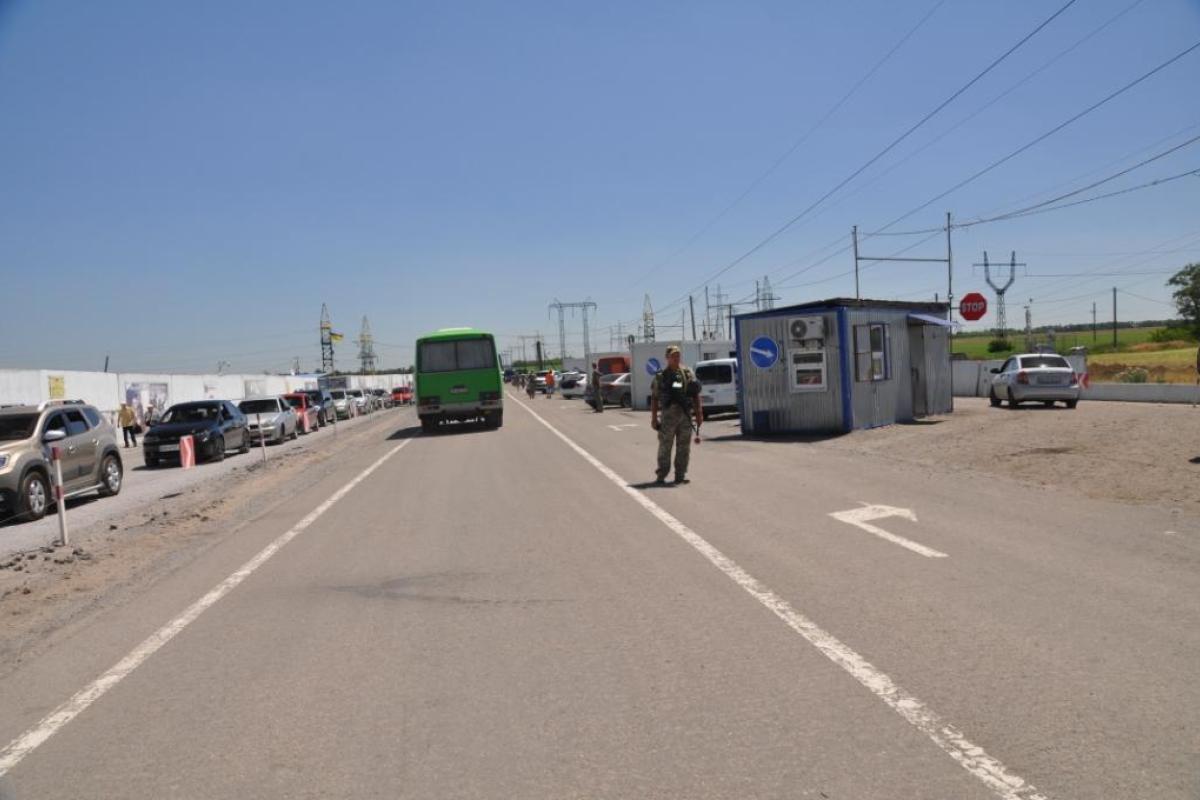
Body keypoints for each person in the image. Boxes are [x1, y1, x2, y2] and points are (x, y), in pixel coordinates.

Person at [650, 345, 702, 485]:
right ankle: (661, 475)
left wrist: (699, 414)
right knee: (665, 446)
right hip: (668, 416)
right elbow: (654, 398)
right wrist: (654, 418)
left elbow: (695, 394)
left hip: (685, 415)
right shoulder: (661, 376)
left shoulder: (688, 372)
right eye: (673, 355)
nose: (676, 358)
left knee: (684, 446)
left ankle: (680, 475)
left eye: (678, 355)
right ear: (667, 358)